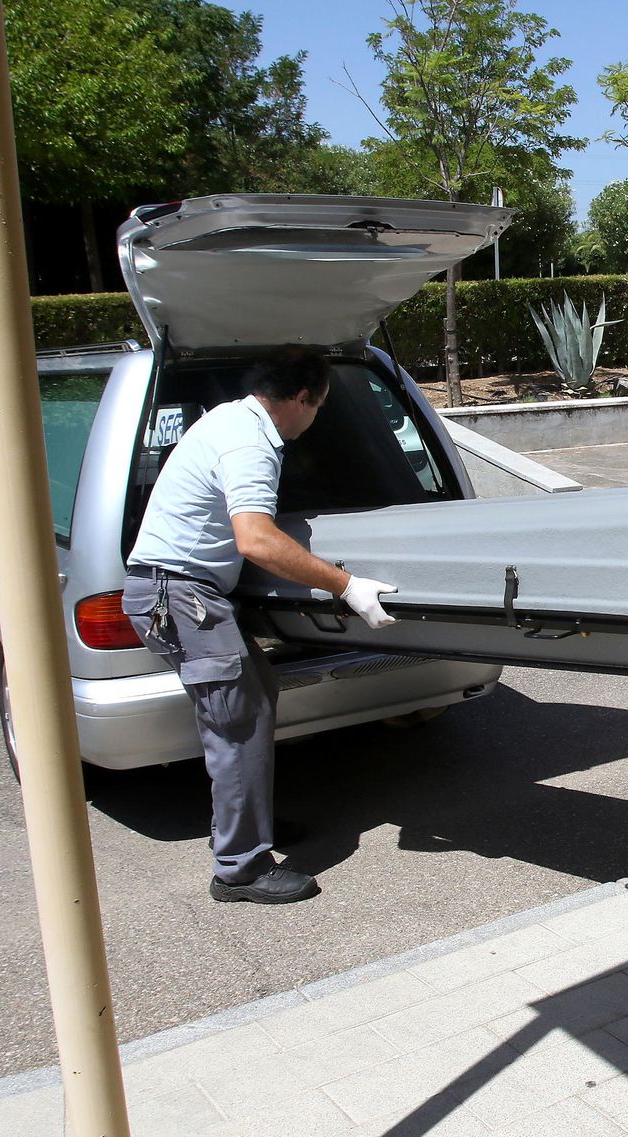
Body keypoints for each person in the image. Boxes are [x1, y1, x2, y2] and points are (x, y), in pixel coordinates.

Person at [122, 347, 399, 905]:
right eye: (318, 406)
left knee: (255, 695)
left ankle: (248, 826)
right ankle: (239, 869)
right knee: (236, 720)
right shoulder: (250, 442)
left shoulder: (229, 419)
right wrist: (346, 585)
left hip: (182, 593)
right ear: (302, 399)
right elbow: (256, 538)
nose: (315, 418)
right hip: (180, 595)